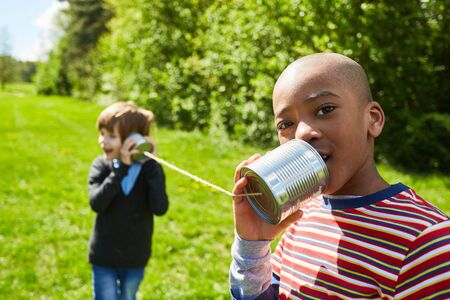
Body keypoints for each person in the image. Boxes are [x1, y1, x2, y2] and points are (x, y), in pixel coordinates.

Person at [230, 53, 450, 299]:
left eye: (325, 109)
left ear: (373, 119)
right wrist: (252, 246)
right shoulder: (302, 216)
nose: (302, 133)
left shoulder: (426, 240)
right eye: (285, 124)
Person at [88, 101, 169, 300]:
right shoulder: (102, 166)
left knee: (127, 297)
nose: (103, 141)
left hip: (135, 257)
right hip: (103, 256)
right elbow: (97, 203)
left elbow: (160, 208)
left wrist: (152, 166)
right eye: (102, 133)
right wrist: (120, 170)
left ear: (132, 140)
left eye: (111, 136)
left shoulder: (150, 172)